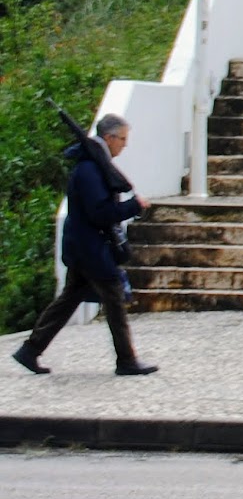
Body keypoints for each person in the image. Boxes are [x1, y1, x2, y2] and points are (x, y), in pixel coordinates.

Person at [12, 112, 157, 376]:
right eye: (122, 139)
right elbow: (99, 213)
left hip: (83, 247)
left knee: (69, 300)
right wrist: (133, 206)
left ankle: (30, 350)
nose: (124, 145)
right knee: (113, 298)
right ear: (109, 138)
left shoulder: (90, 165)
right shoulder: (90, 169)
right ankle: (126, 360)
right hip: (90, 249)